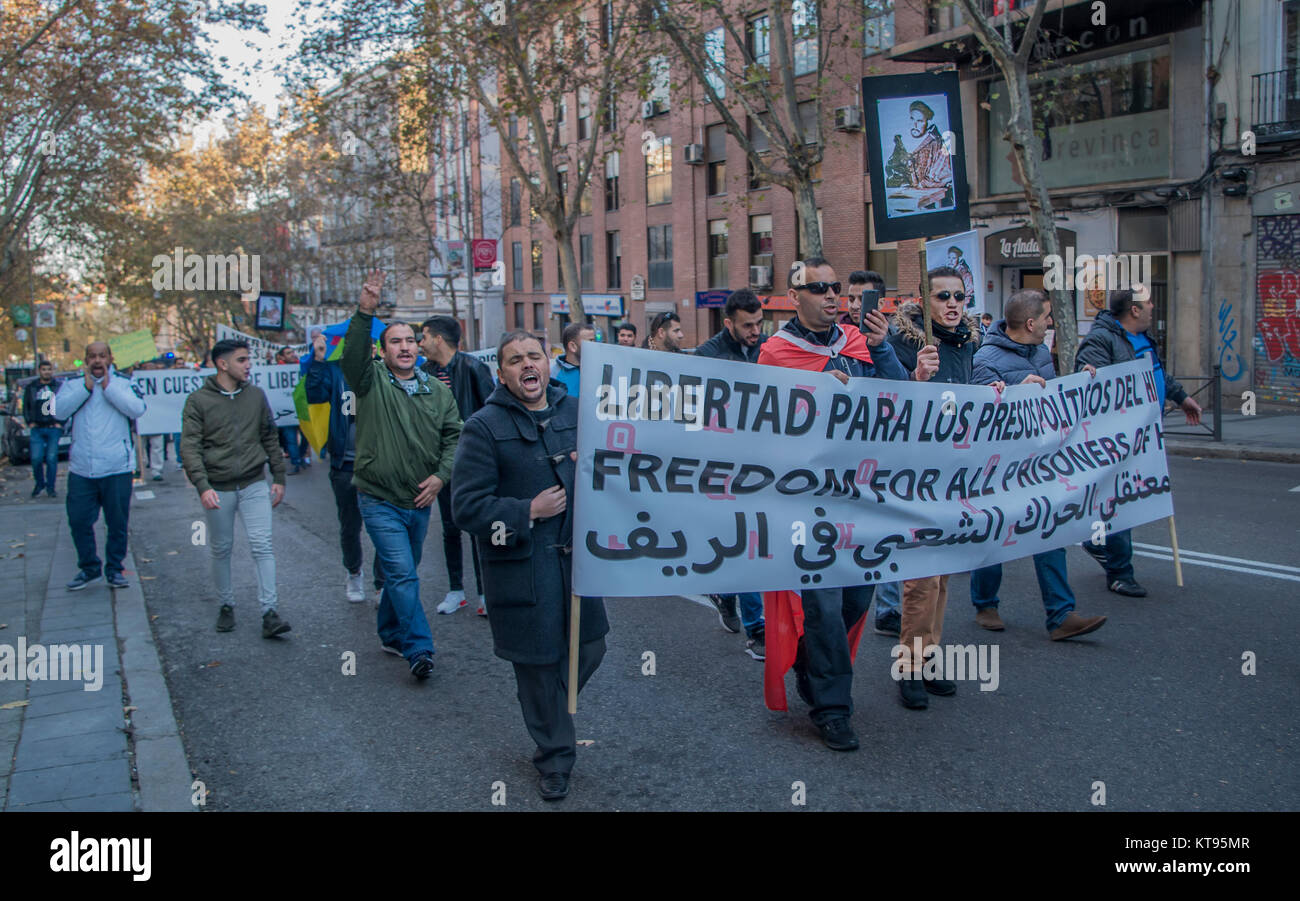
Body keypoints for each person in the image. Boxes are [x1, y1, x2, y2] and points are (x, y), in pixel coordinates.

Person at [758, 257, 935, 750]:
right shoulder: (775, 353)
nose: (831, 295)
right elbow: (765, 427)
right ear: (795, 297)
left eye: (835, 286)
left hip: (862, 495)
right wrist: (816, 393)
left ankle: (811, 665)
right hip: (808, 501)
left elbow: (901, 401)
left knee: (856, 599)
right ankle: (832, 708)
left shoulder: (859, 343)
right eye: (818, 288)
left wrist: (879, 350)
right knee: (823, 603)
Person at [452, 330, 608, 801]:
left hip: (576, 564)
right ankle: (555, 757)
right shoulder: (482, 426)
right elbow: (466, 506)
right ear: (501, 373)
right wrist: (527, 511)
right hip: (523, 570)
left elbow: (611, 467)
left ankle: (547, 711)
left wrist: (594, 467)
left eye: (533, 356)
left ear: (548, 362)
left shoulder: (575, 411)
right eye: (515, 359)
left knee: (592, 646)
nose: (526, 364)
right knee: (539, 665)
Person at [887, 267, 1001, 711]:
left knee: (943, 572)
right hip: (916, 475)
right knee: (921, 576)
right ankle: (909, 666)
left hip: (955, 472)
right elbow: (882, 405)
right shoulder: (902, 343)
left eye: (958, 296)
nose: (952, 304)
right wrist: (914, 379)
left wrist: (996, 392)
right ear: (925, 300)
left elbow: (965, 397)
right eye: (942, 297)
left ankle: (928, 656)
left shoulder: (969, 342)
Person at [341, 270, 462, 680]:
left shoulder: (439, 391)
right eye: (396, 341)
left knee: (402, 570)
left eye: (411, 340)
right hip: (378, 498)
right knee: (403, 572)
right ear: (383, 350)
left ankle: (391, 632)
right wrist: (365, 311)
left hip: (420, 499)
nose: (406, 346)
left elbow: (454, 437)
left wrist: (441, 476)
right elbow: (352, 356)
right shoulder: (370, 381)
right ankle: (419, 649)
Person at [968, 290, 1108, 641]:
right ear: (1031, 323)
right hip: (998, 467)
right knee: (995, 533)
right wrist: (1016, 387)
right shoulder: (985, 357)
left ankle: (1060, 614)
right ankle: (985, 604)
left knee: (1050, 529)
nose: (1051, 323)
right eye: (1047, 317)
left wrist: (1080, 381)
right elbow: (979, 409)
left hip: (1038, 463)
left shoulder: (1042, 351)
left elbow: (1051, 395)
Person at [1074, 287, 1202, 597]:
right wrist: (1086, 375)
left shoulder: (1143, 339)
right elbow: (1087, 383)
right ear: (1133, 310)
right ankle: (1120, 573)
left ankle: (1097, 541)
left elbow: (1157, 374)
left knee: (1129, 497)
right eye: (1146, 303)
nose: (1152, 306)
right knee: (1121, 501)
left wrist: (1182, 397)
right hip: (1116, 437)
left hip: (1146, 434)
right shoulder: (1101, 340)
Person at [181, 339, 291, 638]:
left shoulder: (256, 396)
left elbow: (270, 437)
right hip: (218, 487)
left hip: (255, 482)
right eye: (242, 360)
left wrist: (278, 477)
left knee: (262, 545)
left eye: (248, 360)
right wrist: (202, 486)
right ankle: (226, 605)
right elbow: (189, 448)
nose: (248, 365)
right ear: (222, 364)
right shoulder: (198, 401)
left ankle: (270, 612)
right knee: (221, 548)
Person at [693, 288, 768, 658]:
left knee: (751, 538)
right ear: (728, 323)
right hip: (721, 465)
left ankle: (729, 595)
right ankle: (757, 627)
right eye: (748, 325)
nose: (756, 331)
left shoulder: (769, 349)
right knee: (745, 538)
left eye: (759, 323)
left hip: (763, 462)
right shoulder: (707, 355)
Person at [54, 342, 147, 591]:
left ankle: (115, 569)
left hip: (116, 467)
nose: (97, 360)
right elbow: (59, 412)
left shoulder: (124, 382)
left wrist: (109, 388)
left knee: (117, 522)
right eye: (92, 356)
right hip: (82, 469)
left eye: (102, 356)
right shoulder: (73, 384)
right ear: (85, 359)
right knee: (78, 521)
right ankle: (89, 568)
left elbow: (137, 409)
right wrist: (84, 389)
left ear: (110, 358)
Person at [419, 315, 495, 616]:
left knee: (478, 528)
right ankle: (455, 591)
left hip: (473, 461)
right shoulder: (423, 373)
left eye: (423, 336)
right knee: (450, 527)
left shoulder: (473, 368)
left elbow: (492, 411)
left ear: (438, 339)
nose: (419, 343)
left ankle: (485, 592)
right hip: (440, 463)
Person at [304, 331, 385, 604]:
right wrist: (317, 358)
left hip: (380, 463)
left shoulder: (383, 373)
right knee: (350, 525)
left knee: (384, 525)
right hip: (345, 464)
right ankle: (354, 572)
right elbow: (314, 395)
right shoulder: (334, 372)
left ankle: (381, 584)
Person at [21, 360, 63, 498]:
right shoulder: (32, 387)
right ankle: (39, 483)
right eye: (44, 369)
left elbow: (66, 404)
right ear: (39, 371)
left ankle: (51, 487)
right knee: (36, 458)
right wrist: (29, 422)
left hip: (53, 427)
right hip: (37, 428)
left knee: (51, 458)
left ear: (52, 371)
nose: (47, 372)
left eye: (49, 369)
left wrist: (61, 422)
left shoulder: (58, 386)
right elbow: (26, 405)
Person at [276, 346, 311, 473]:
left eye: (292, 352)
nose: (292, 354)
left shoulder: (302, 367)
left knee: (307, 436)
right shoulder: (276, 370)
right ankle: (296, 462)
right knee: (290, 438)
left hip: (302, 409)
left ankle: (301, 456)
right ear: (282, 357)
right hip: (286, 411)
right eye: (288, 353)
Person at [551, 322, 595, 398]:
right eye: (590, 341)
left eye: (594, 341)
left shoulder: (598, 369)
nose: (595, 345)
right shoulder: (553, 376)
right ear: (572, 346)